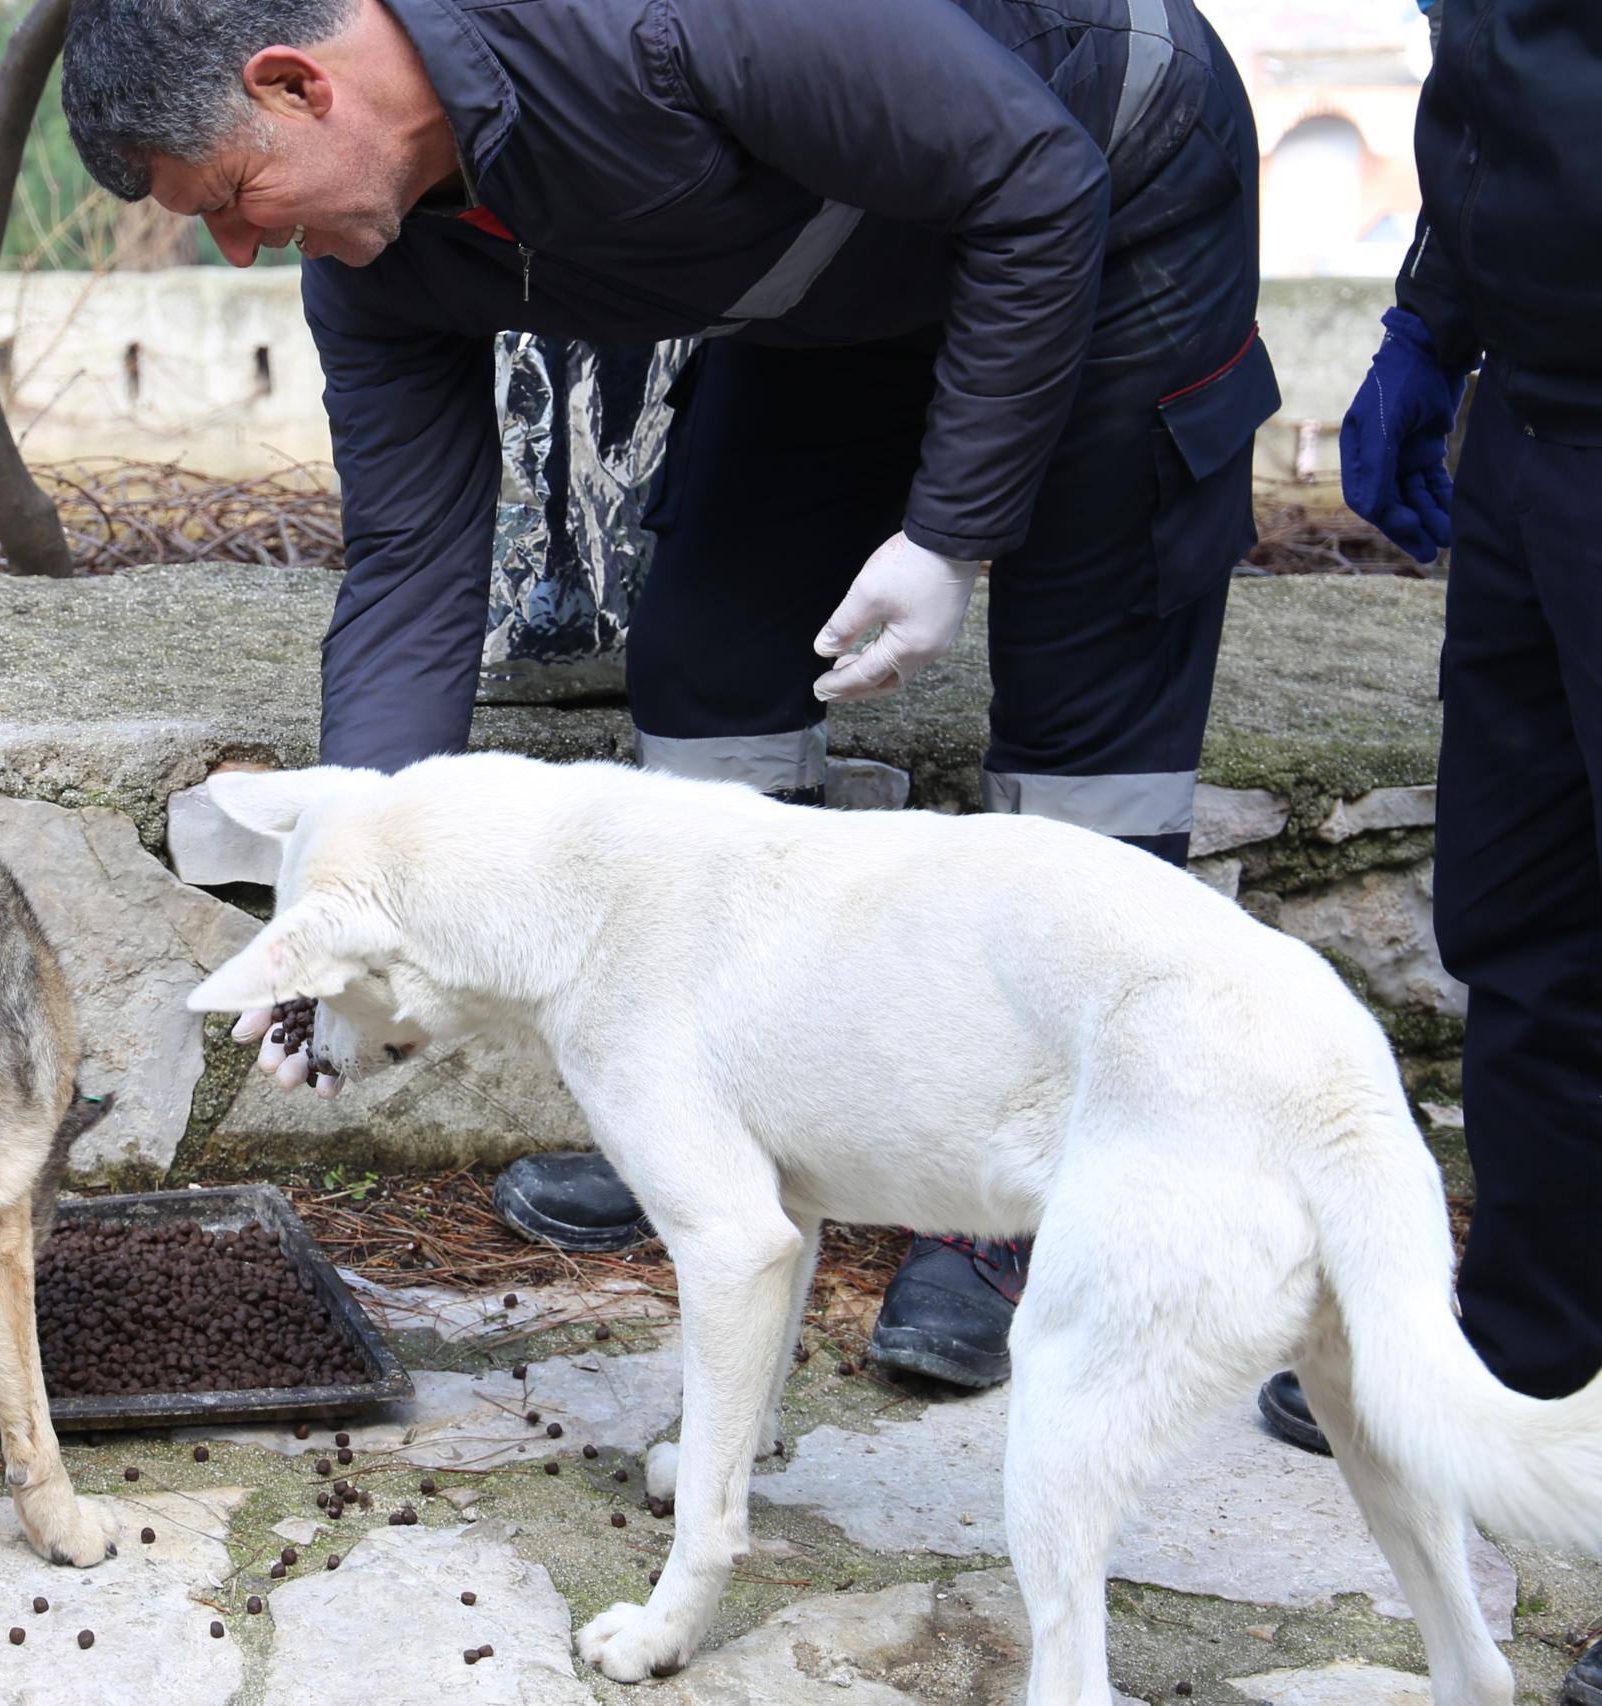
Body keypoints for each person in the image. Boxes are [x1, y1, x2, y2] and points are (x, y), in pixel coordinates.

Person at [62, 0, 1275, 1389]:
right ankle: (708, 1103)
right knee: (708, 650)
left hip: (1103, 169)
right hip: (847, 251)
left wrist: (952, 530)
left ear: (293, 85)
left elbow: (1031, 172)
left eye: (228, 198)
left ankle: (1033, 1197)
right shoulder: (378, 268)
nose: (237, 247)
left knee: (1084, 706)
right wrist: (355, 894)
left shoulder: (653, 24)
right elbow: (412, 560)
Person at [1259, 16, 1602, 1702]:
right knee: (1525, 928)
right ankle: (1526, 1365)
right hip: (1538, 421)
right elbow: (1496, 74)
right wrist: (1430, 321)